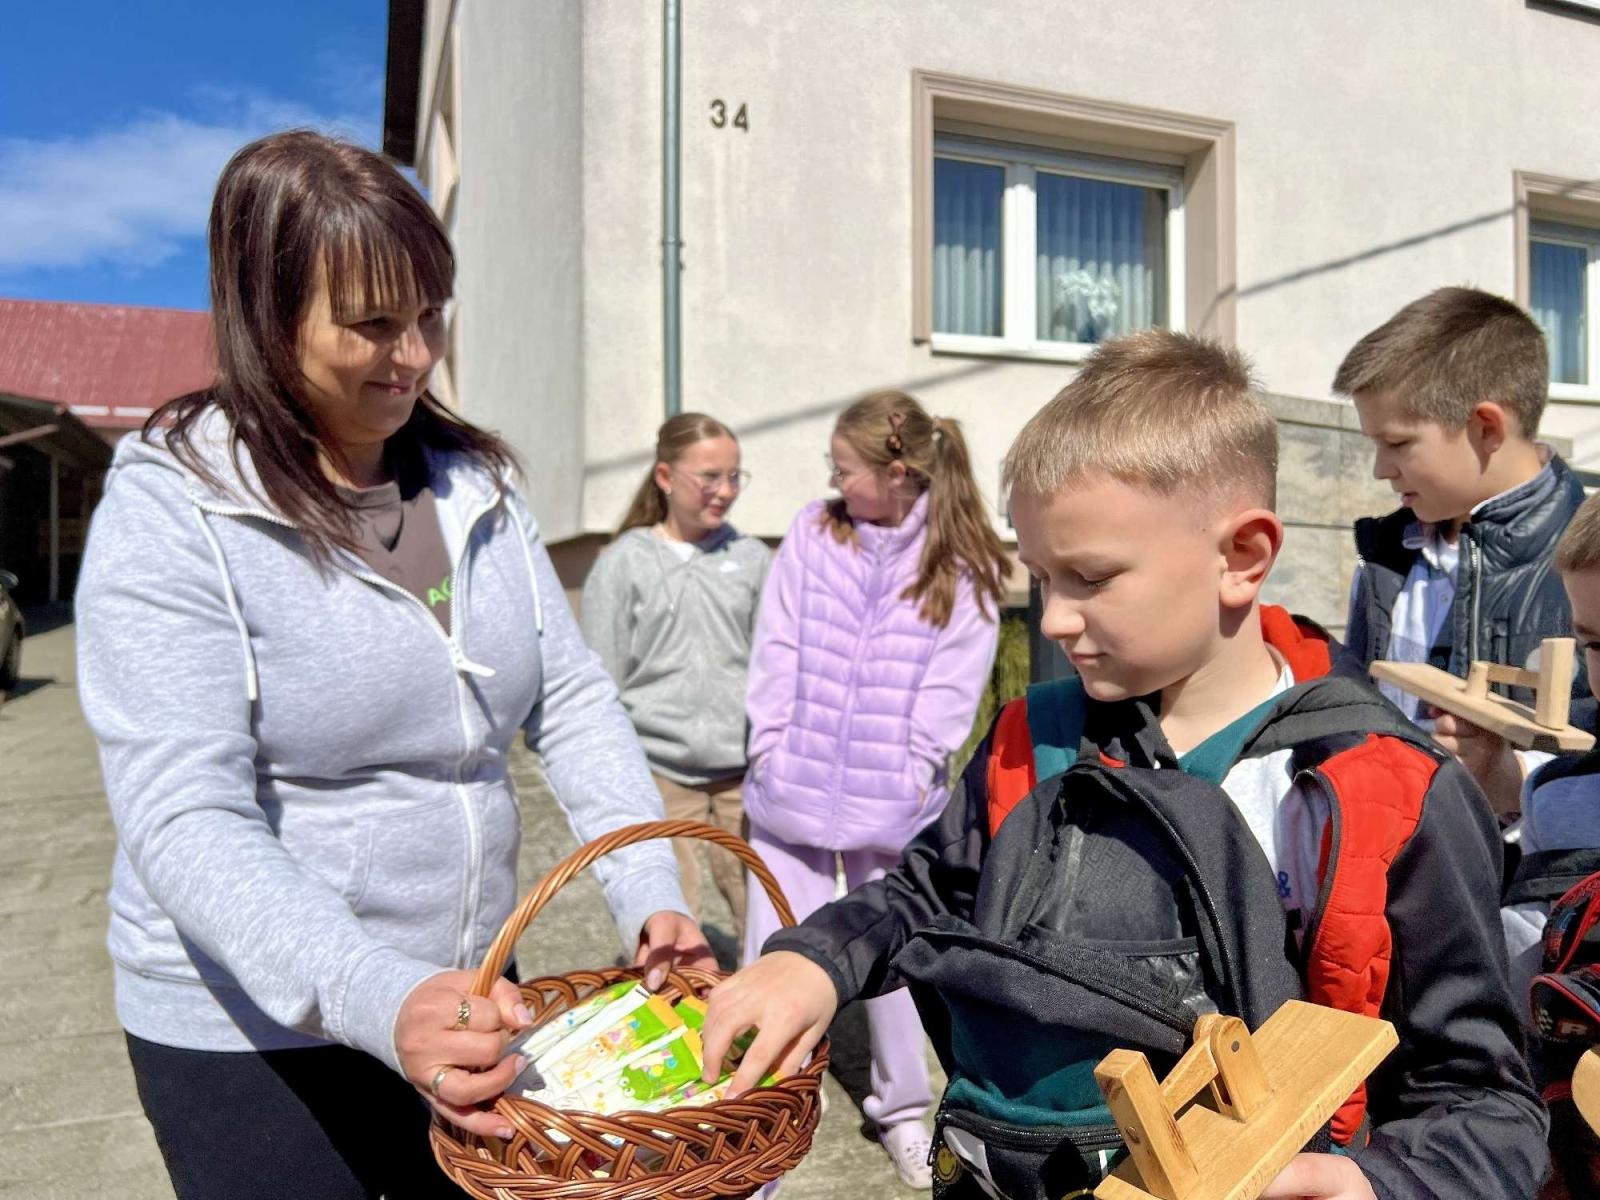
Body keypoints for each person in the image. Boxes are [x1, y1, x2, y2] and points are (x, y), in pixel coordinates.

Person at [704, 331, 1548, 1200]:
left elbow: (1483, 1105)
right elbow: (928, 893)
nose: (1055, 621)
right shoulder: (1031, 739)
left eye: (1090, 578)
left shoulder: (1386, 790)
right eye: (1040, 578)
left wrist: (1370, 1184)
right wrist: (813, 960)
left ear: (1242, 556)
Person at [74, 130, 713, 1200]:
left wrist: (647, 887)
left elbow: (572, 699)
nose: (414, 354)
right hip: (253, 1034)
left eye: (429, 313)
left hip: (468, 997)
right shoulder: (174, 506)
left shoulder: (477, 488)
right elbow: (182, 813)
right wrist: (378, 993)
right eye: (373, 323)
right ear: (268, 315)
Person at [739, 391, 1008, 1188]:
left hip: (892, 808)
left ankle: (902, 1112)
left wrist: (915, 762)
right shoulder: (813, 530)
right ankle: (759, 1124)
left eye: (845, 468)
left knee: (891, 968)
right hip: (790, 790)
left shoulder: (961, 557)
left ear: (897, 472)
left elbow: (957, 683)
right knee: (771, 959)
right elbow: (776, 641)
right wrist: (768, 745)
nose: (836, 482)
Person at [1337, 286, 1589, 814]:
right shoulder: (1386, 555)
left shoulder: (1587, 565)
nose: (1380, 468)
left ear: (1485, 427)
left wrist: (1511, 779)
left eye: (1399, 443)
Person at [580, 413, 771, 942]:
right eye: (709, 476)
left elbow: (775, 670)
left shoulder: (754, 560)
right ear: (665, 476)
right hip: (659, 775)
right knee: (667, 925)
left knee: (758, 917)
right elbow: (599, 680)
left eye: (735, 476)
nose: (726, 490)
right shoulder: (624, 563)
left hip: (743, 776)